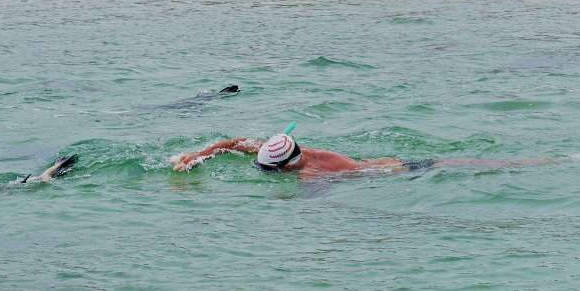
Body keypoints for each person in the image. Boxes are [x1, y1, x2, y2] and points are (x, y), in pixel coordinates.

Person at [171, 124, 555, 179]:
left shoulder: (311, 176)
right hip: (376, 164)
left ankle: (539, 161)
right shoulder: (288, 154)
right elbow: (231, 143)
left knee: (463, 164)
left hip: (386, 173)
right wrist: (197, 156)